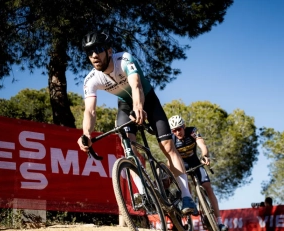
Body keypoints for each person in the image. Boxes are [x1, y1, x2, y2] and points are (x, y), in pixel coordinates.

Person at [77, 31, 196, 215]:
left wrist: (139, 107)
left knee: (168, 146)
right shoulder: (91, 80)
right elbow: (90, 111)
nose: (93, 55)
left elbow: (136, 86)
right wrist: (86, 134)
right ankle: (143, 193)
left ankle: (187, 196)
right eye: (89, 52)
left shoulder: (124, 59)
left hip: (147, 99)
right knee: (128, 147)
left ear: (109, 51)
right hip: (125, 105)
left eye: (98, 50)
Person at [168, 115, 229, 231]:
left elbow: (202, 145)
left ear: (184, 127)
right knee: (185, 188)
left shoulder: (192, 131)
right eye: (174, 130)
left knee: (208, 188)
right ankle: (188, 214)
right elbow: (170, 157)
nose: (177, 132)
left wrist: (205, 155)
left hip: (195, 161)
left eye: (179, 129)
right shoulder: (171, 139)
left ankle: (220, 222)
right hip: (182, 165)